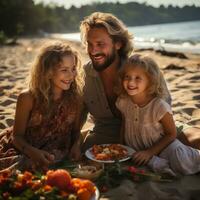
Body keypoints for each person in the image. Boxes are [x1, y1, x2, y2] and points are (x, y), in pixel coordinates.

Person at [79, 12, 171, 151]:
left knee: (194, 139)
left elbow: (164, 104)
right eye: (89, 44)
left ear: (118, 44)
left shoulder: (140, 69)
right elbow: (79, 115)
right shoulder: (83, 75)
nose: (93, 50)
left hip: (150, 134)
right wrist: (76, 142)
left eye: (100, 44)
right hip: (103, 135)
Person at [0, 42, 83, 173]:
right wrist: (33, 153)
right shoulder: (27, 98)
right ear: (48, 72)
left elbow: (75, 132)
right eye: (64, 70)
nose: (71, 75)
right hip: (26, 148)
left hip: (58, 151)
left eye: (73, 69)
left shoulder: (76, 99)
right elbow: (17, 137)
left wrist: (76, 146)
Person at [115, 54, 200, 175]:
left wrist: (150, 152)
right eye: (127, 77)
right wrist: (120, 145)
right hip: (137, 147)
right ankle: (158, 163)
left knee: (180, 159)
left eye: (138, 78)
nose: (131, 82)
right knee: (139, 160)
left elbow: (171, 134)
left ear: (150, 81)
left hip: (164, 147)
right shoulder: (123, 101)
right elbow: (124, 122)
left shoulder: (159, 106)